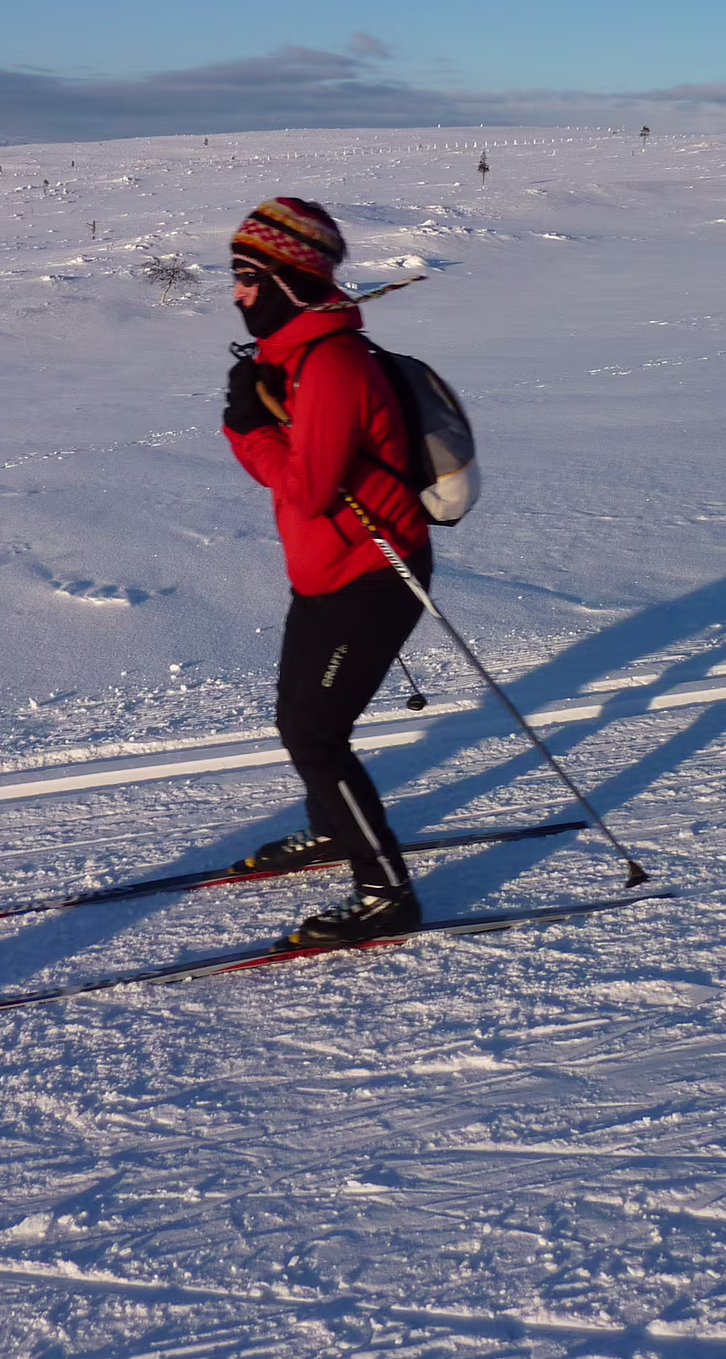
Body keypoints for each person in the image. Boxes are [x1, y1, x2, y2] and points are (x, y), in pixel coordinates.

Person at [220, 196, 432, 944]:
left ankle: (386, 893)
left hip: (371, 576)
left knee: (318, 733)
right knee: (299, 719)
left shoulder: (334, 365)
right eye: (235, 275)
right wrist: (253, 420)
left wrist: (247, 429)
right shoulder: (295, 359)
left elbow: (308, 490)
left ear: (288, 279)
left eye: (248, 276)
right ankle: (333, 828)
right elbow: (298, 478)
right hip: (325, 573)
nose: (237, 292)